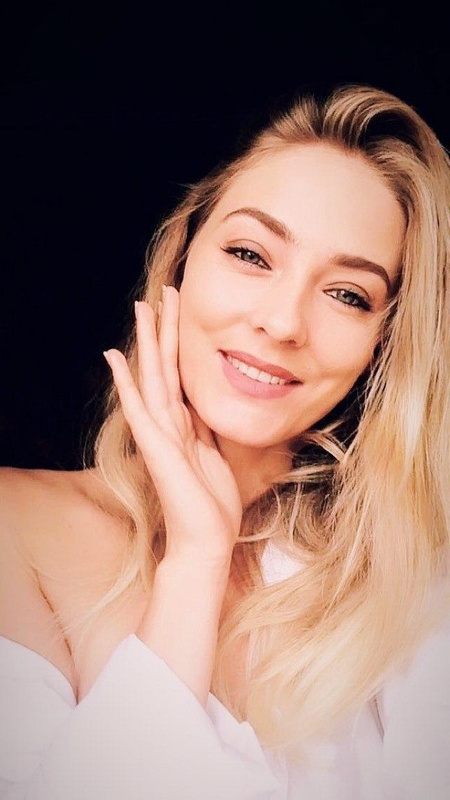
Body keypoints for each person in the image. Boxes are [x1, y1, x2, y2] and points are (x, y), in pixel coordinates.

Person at [0, 84, 449, 800]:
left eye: (347, 294)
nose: (283, 322)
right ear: (182, 259)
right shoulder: (15, 527)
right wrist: (195, 562)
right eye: (250, 254)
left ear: (384, 343)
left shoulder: (410, 578)